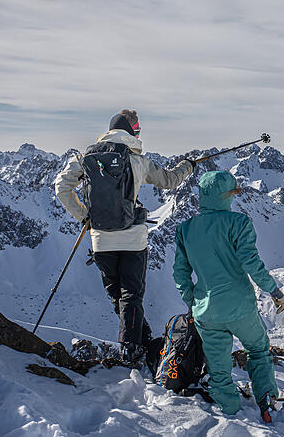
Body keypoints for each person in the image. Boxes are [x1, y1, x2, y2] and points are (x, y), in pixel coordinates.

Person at [55, 109, 194, 368]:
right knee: (132, 293)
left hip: (100, 240)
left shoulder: (86, 157)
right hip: (132, 240)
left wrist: (85, 216)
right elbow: (170, 180)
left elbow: (61, 187)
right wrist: (188, 166)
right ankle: (131, 348)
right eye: (138, 130)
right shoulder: (137, 160)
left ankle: (142, 340)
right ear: (132, 131)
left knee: (117, 296)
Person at [173, 170, 284, 423]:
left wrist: (192, 301)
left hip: (206, 312)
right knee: (258, 350)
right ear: (226, 196)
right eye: (233, 193)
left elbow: (180, 272)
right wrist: (273, 290)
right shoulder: (238, 223)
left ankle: (230, 410)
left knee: (218, 365)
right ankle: (266, 400)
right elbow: (251, 262)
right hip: (240, 308)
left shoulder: (185, 229)